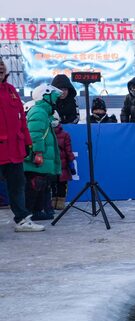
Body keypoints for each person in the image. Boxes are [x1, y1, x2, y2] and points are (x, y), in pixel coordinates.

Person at [0, 57, 44, 231]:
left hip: (14, 149)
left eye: (2, 65)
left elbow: (22, 120)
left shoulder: (11, 90)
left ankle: (22, 220)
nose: (0, 68)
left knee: (17, 185)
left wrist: (27, 142)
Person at [24, 84, 62, 221]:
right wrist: (38, 153)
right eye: (54, 98)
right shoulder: (39, 112)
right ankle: (29, 213)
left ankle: (37, 211)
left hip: (41, 159)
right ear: (46, 96)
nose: (56, 101)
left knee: (40, 186)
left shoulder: (43, 112)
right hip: (37, 159)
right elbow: (34, 134)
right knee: (34, 185)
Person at [51, 120, 75, 210]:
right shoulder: (65, 134)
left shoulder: (47, 134)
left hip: (52, 163)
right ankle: (60, 203)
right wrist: (71, 163)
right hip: (63, 164)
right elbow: (68, 151)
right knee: (62, 184)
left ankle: (53, 202)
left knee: (53, 184)